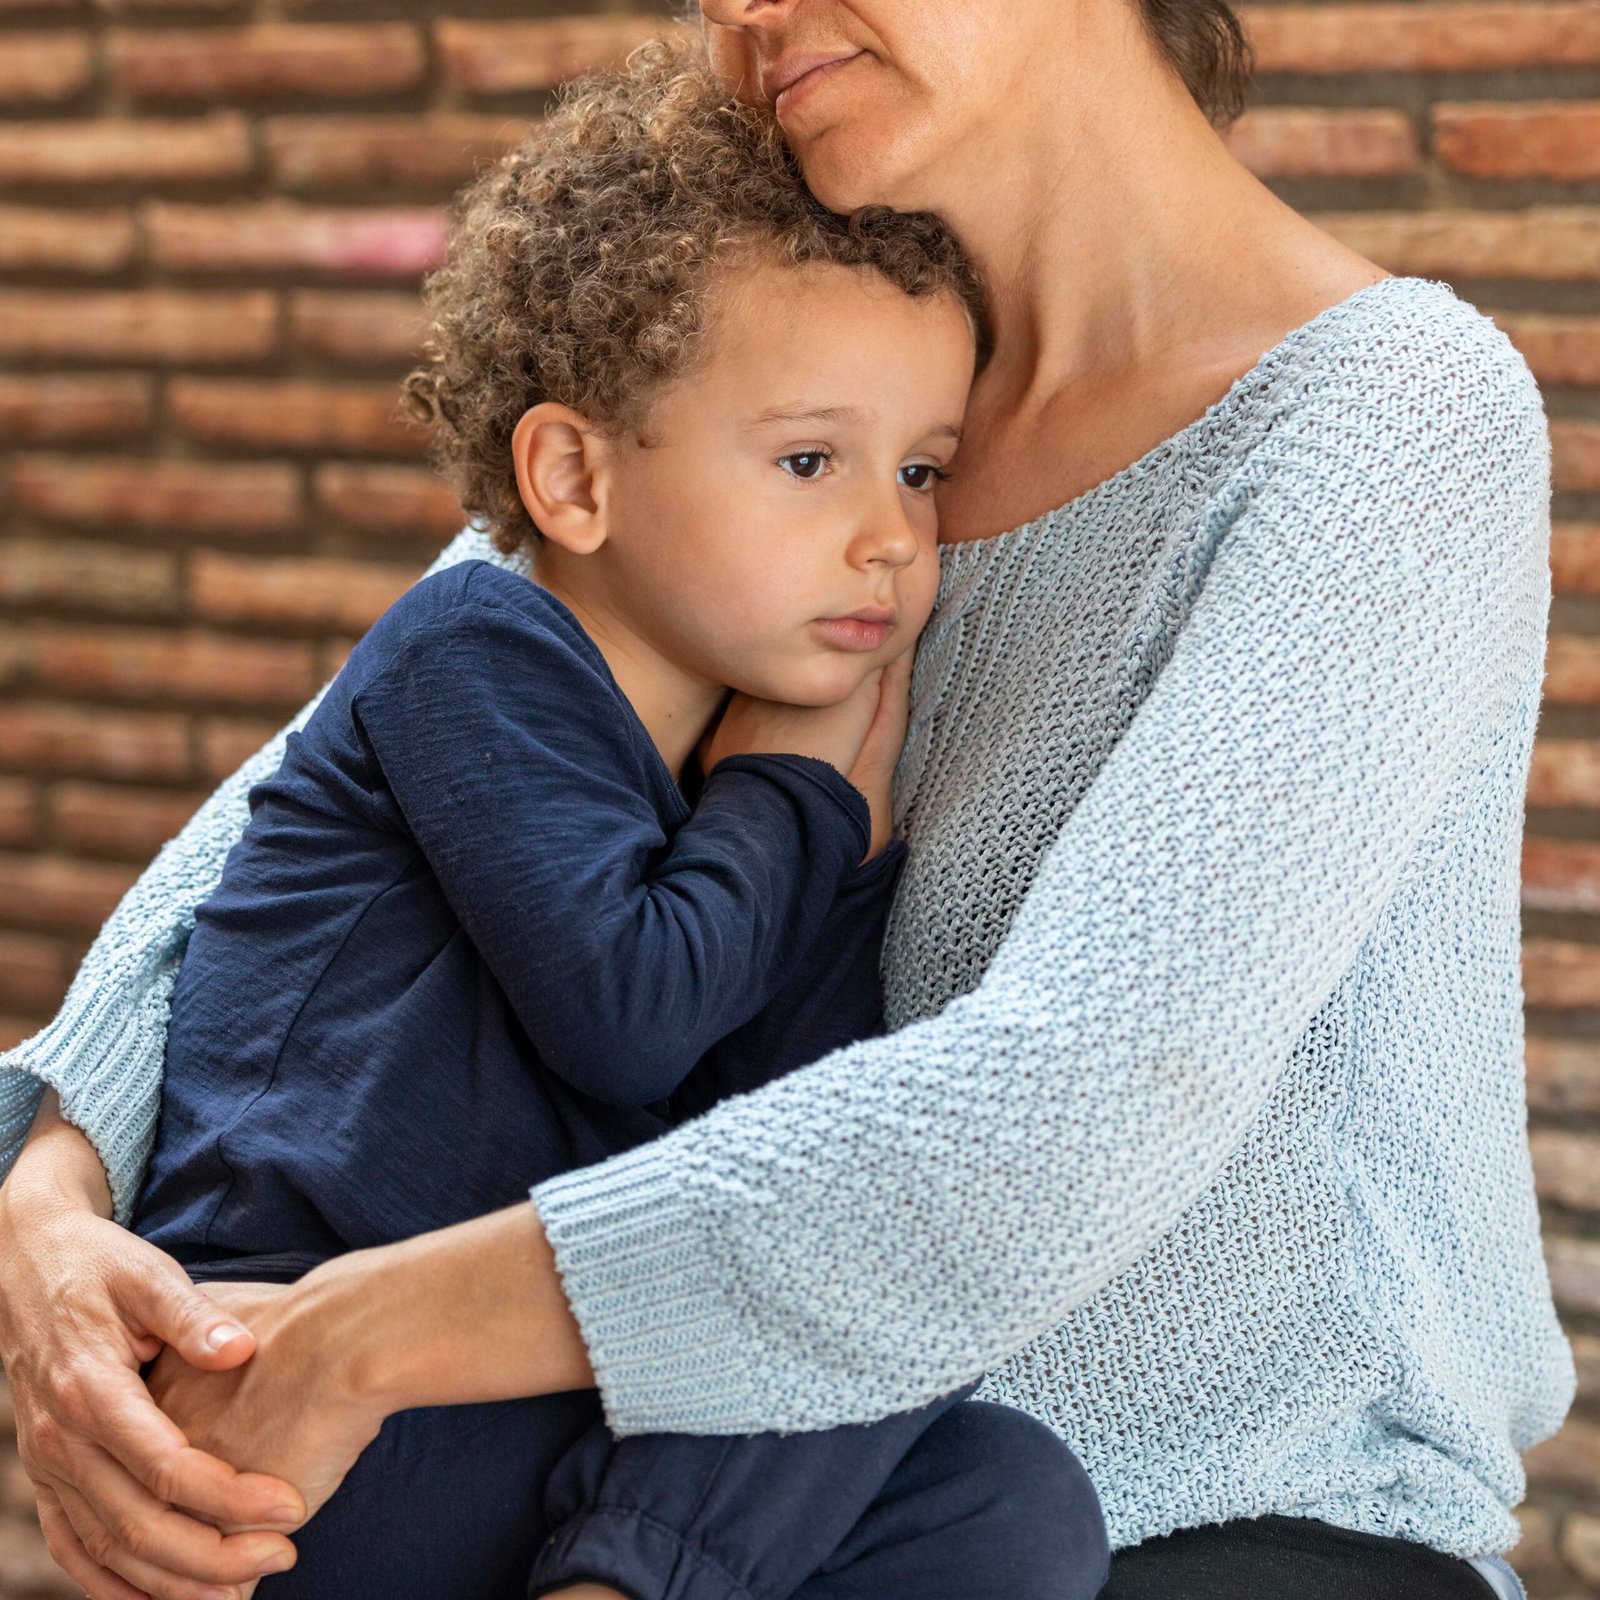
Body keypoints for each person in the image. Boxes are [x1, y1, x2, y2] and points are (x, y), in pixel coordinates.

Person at [0, 1, 1574, 1598]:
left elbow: (1065, 1114)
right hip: (651, 1501)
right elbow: (254, 858)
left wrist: (348, 1343)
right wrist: (50, 1216)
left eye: (913, 471)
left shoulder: (1381, 419)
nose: (748, 7)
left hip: (1205, 1523)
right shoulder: (774, 359)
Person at [121, 41, 1107, 1600]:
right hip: (305, 1397)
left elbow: (803, 1131)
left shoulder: (759, 795)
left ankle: (622, 1579)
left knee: (1012, 1500)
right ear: (574, 477)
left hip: (536, 1417)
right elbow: (634, 1016)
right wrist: (791, 783)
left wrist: (814, 824)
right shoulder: (474, 655)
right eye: (809, 460)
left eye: (920, 470)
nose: (889, 540)